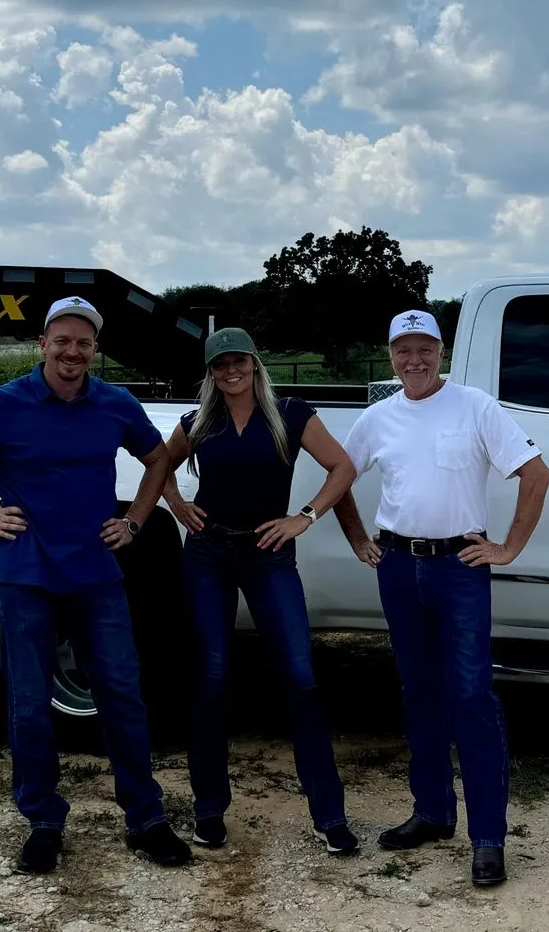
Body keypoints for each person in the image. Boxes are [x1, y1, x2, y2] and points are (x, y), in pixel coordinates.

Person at [0, 296, 192, 874]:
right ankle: (43, 821)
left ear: (95, 349)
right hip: (25, 575)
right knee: (31, 704)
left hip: (95, 573)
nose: (72, 351)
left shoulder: (114, 403)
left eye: (84, 342)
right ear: (43, 344)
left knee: (122, 697)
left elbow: (159, 458)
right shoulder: (3, 404)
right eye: (61, 340)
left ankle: (145, 818)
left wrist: (136, 518)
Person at [332, 309, 549, 887]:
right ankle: (432, 811)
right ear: (390, 357)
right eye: (403, 350)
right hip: (399, 567)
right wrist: (357, 536)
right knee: (419, 694)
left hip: (459, 567)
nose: (415, 360)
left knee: (472, 696)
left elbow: (536, 473)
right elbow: (339, 475)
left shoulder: (475, 406)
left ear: (441, 351)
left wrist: (508, 548)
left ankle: (487, 838)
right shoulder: (379, 417)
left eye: (424, 348)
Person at [162, 327, 360, 855]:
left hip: (269, 553)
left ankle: (329, 815)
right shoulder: (198, 421)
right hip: (208, 554)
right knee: (211, 676)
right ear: (210, 372)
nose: (231, 371)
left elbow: (343, 467)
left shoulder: (291, 413)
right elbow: (157, 465)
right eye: (220, 363)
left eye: (240, 361)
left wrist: (304, 517)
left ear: (255, 364)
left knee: (299, 674)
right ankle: (208, 812)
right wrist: (179, 506)